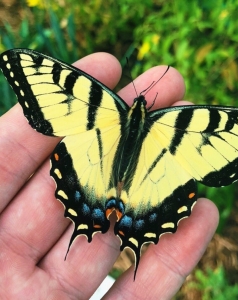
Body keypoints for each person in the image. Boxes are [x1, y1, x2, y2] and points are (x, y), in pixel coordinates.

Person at [0, 52, 219, 299]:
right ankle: (111, 213)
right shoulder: (175, 124)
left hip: (101, 158)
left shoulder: (100, 103)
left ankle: (101, 211)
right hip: (145, 177)